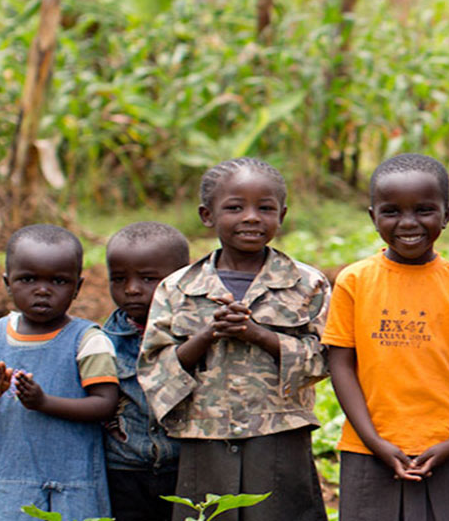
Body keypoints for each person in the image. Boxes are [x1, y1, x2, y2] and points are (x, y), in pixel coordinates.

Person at [140, 157, 331, 521]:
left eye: (265, 208)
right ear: (207, 215)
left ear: (282, 215)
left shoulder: (307, 284)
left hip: (280, 437)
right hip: (204, 439)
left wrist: (258, 335)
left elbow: (325, 358)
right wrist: (208, 335)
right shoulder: (178, 288)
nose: (251, 217)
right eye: (234, 208)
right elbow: (154, 365)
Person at [327, 153, 449, 521]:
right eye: (392, 212)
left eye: (423, 210)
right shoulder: (354, 282)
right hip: (368, 448)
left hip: (447, 449)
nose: (408, 222)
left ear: (447, 215)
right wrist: (374, 441)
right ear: (373, 217)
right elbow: (341, 365)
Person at [0, 224, 121, 521]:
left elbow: (105, 404)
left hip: (66, 482)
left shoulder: (88, 340)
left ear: (77, 287)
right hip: (3, 479)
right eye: (28, 279)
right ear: (8, 283)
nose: (43, 290)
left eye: (58, 281)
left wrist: (44, 402)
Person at [100, 221, 190, 521]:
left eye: (148, 279)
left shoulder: (197, 336)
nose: (131, 289)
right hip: (123, 467)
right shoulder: (102, 341)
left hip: (183, 463)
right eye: (119, 279)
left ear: (182, 278)